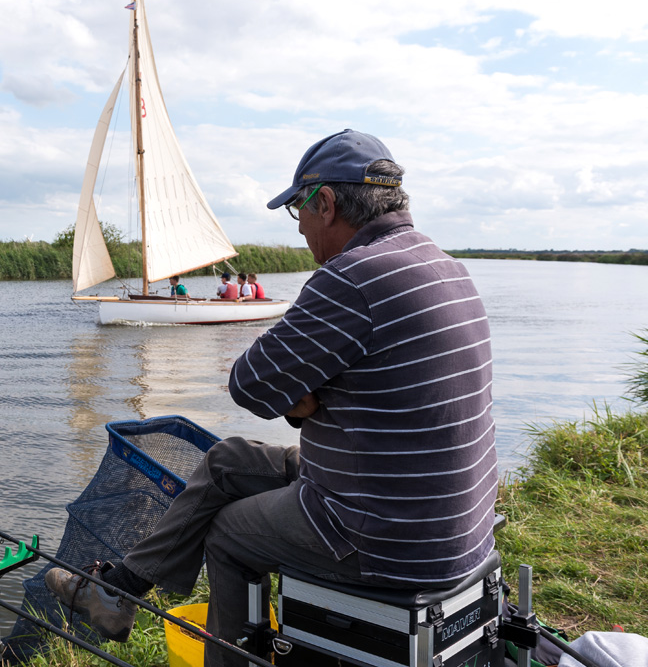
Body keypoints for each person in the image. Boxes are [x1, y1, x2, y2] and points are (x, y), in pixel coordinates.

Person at [45, 129, 498, 666]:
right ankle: (118, 592)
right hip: (450, 520)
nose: (301, 229)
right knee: (229, 460)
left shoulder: (351, 276)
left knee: (229, 532)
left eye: (298, 211)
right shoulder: (445, 266)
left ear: (325, 203)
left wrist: (302, 396)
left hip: (385, 533)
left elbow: (250, 384)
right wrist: (308, 396)